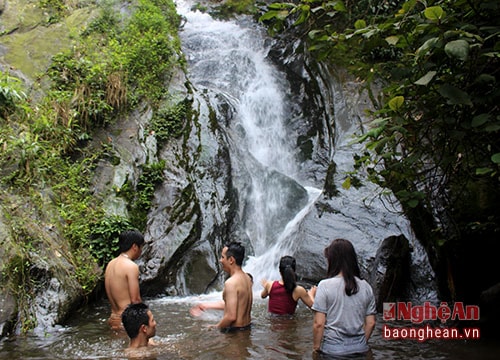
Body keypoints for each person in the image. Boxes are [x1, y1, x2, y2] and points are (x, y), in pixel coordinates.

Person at [312, 238, 376, 358]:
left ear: (333, 260)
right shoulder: (366, 287)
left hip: (332, 351)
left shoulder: (324, 285)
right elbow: (371, 323)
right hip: (360, 350)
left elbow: (318, 324)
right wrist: (361, 344)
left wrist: (316, 349)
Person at [190, 241, 253, 332]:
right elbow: (236, 303)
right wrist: (205, 305)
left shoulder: (231, 283)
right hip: (247, 330)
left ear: (231, 260)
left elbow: (231, 317)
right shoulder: (247, 278)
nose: (220, 260)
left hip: (234, 334)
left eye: (223, 257)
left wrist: (214, 327)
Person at [104, 229, 145, 330]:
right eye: (141, 246)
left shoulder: (110, 264)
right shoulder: (131, 266)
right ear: (135, 246)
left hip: (113, 319)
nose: (142, 250)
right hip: (127, 321)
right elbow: (135, 300)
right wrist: (146, 321)